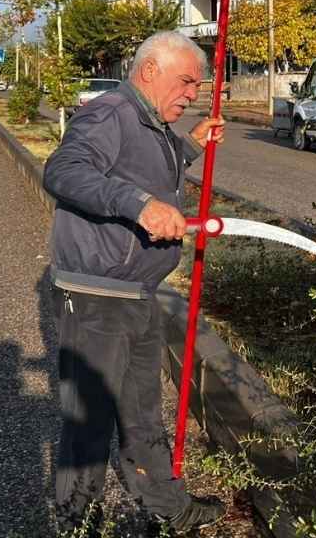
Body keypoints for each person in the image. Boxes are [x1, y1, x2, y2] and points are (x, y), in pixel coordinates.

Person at [42, 31, 227, 533]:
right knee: (90, 421)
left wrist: (190, 146)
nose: (193, 93)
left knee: (143, 411)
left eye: (198, 84)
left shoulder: (153, 121)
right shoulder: (111, 113)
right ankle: (77, 522)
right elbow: (63, 170)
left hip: (137, 292)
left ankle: (166, 506)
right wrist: (138, 205)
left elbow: (143, 169)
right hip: (99, 293)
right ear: (150, 70)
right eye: (187, 81)